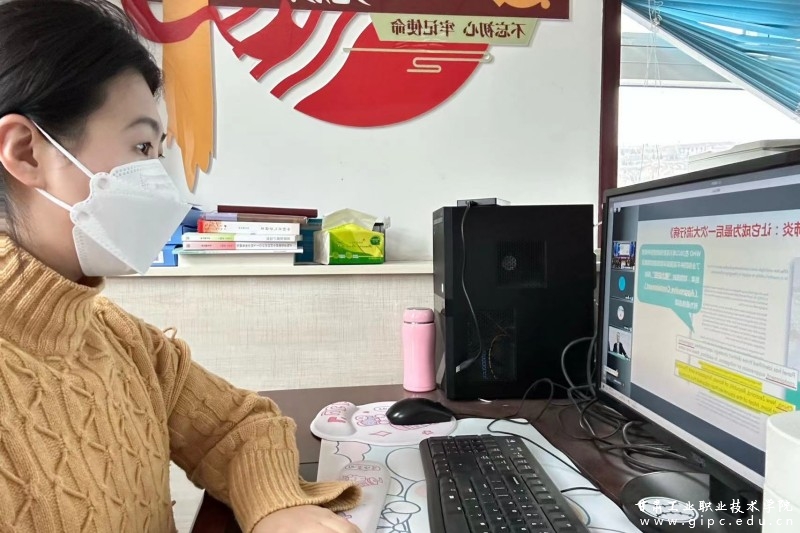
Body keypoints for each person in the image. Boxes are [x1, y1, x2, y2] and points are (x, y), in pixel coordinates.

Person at [0, 1, 361, 531]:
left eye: (158, 151)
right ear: (26, 152)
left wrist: (280, 506)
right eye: (141, 145)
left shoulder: (121, 340)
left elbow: (239, 426)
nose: (162, 183)